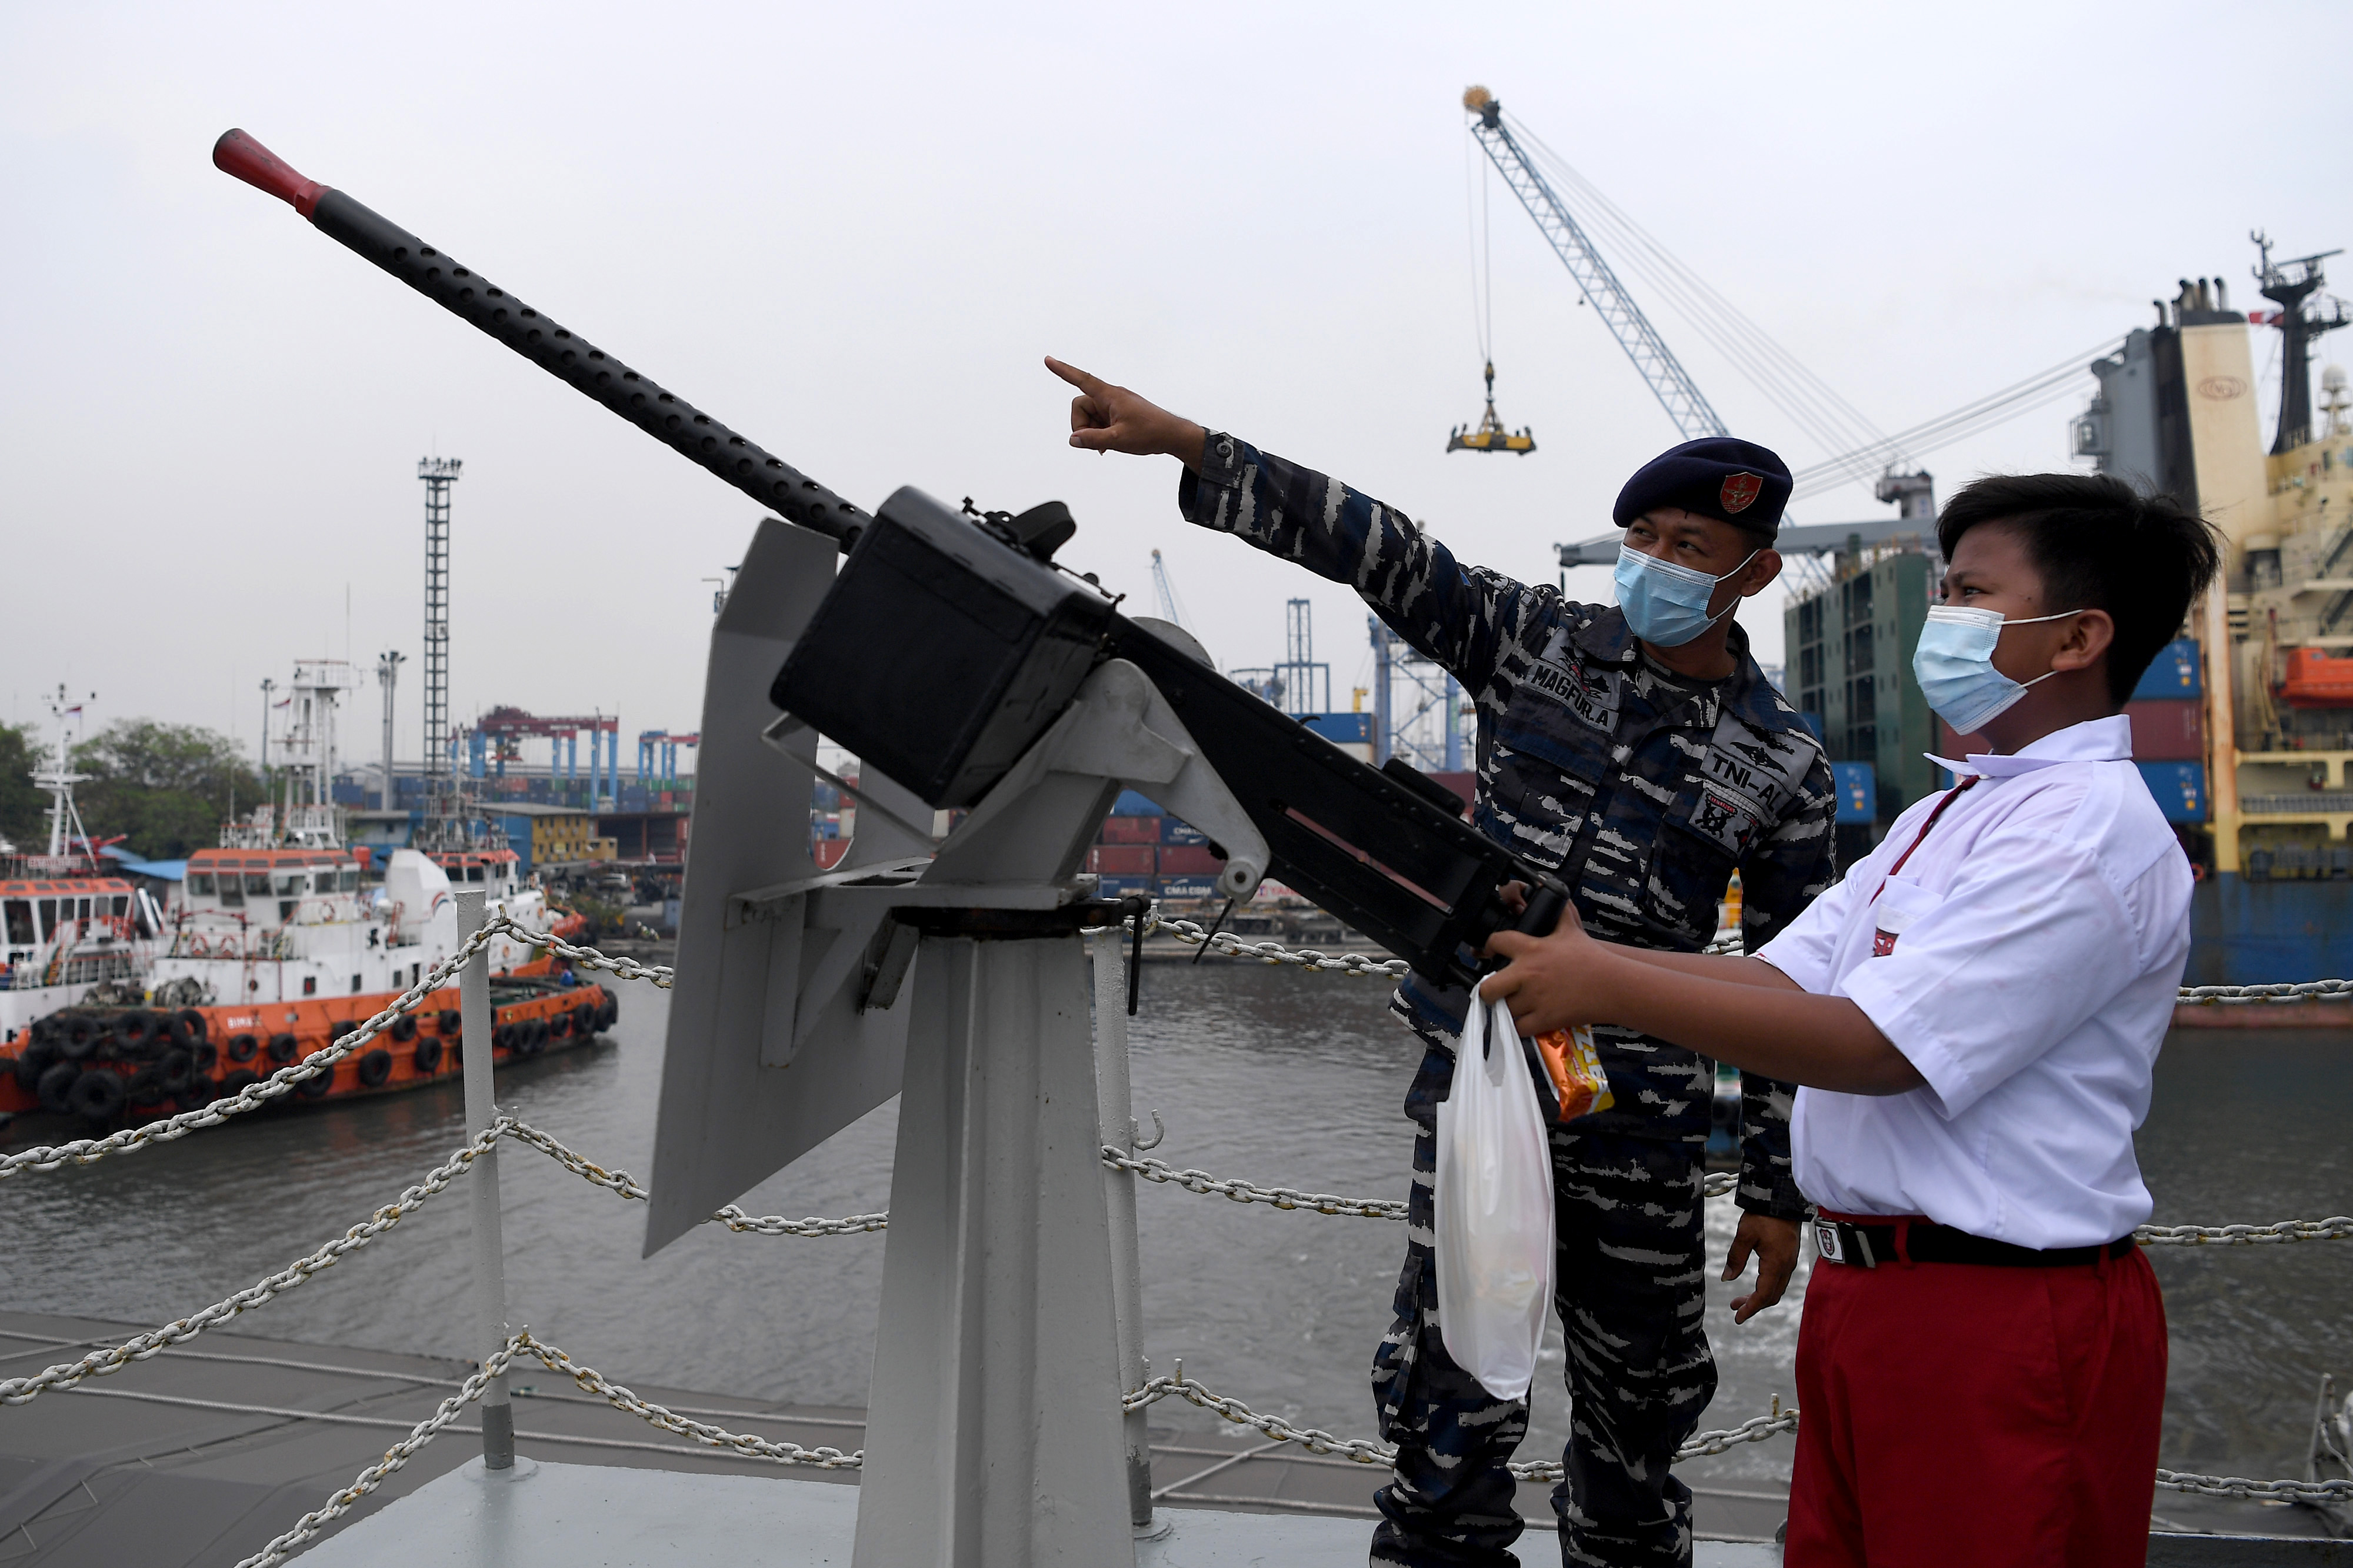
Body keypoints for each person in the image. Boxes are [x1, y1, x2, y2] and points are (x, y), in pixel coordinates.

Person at [1046, 358, 1838, 1566]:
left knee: (1637, 1433)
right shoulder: (1534, 642)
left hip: (1647, 1130)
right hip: (1483, 1093)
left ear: (1754, 573)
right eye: (1642, 534)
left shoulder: (1782, 763)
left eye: (1688, 544)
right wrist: (1193, 446)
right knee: (1447, 1409)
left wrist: (1777, 1193)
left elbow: (1793, 984)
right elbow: (1383, 549)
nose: (1656, 560)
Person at [1478, 472, 2221, 1566]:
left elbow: (1878, 1049)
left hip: (2002, 1317)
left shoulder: (2083, 837)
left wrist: (1600, 985)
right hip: (1870, 1299)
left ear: (2078, 638)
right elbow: (1785, 982)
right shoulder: (1948, 812)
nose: (1942, 621)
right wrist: (1584, 953)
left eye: (1970, 593)